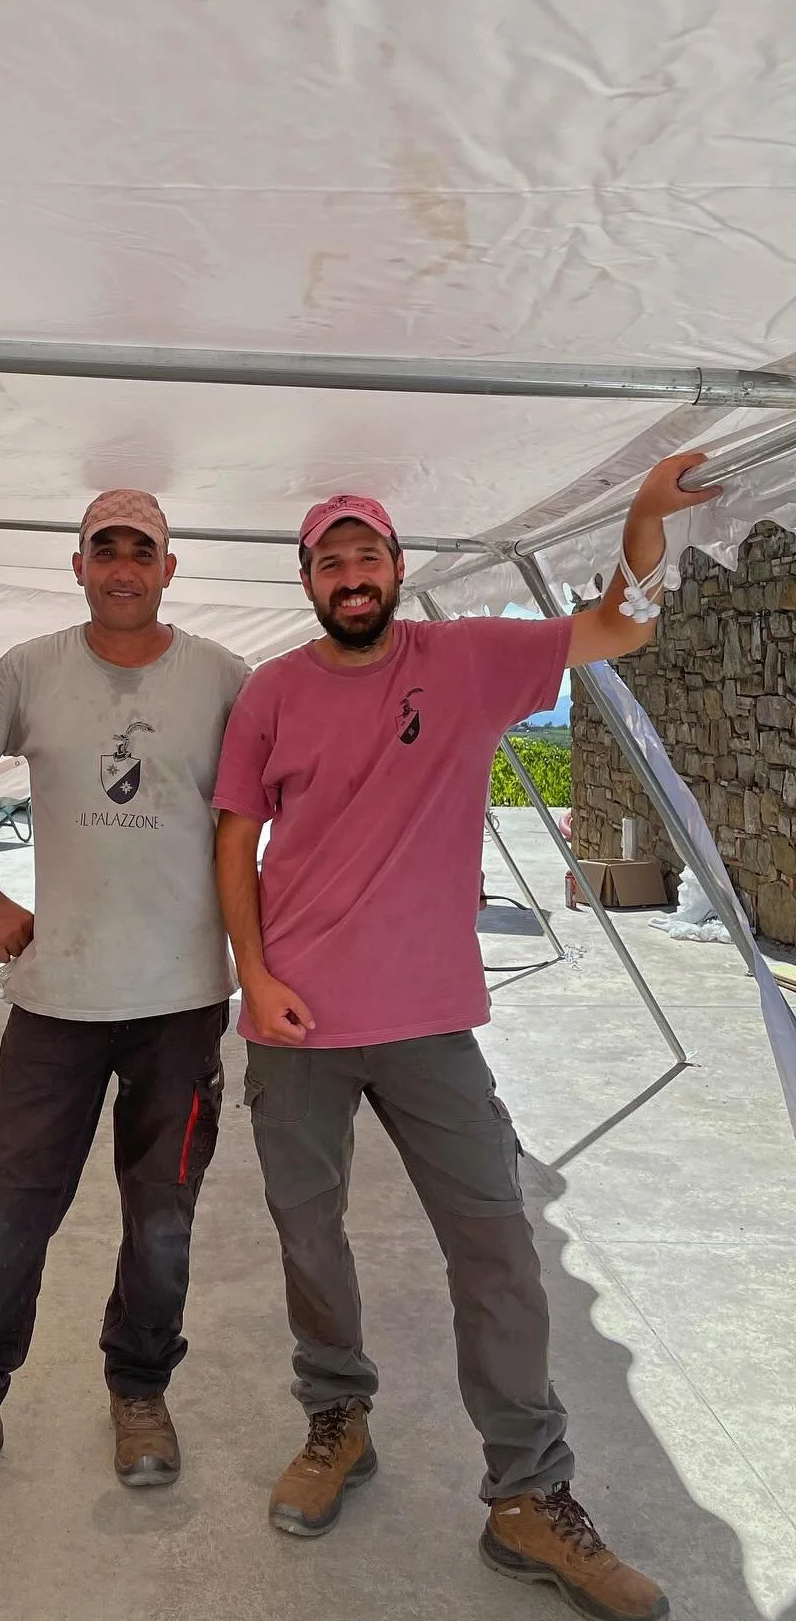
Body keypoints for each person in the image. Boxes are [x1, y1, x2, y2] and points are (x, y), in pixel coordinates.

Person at [213, 453, 719, 1621]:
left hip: (432, 1018)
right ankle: (337, 1420)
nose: (351, 574)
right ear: (307, 579)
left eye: (368, 555)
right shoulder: (272, 693)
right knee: (309, 1234)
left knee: (495, 1247)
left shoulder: (470, 659)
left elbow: (616, 630)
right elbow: (235, 841)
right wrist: (253, 973)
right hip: (296, 1019)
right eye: (330, 560)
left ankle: (529, 1498)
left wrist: (644, 515)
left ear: (398, 569)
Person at [0, 490, 249, 1519]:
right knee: (7, 1211)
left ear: (171, 568)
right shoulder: (30, 670)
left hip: (181, 1002)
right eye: (105, 551)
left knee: (162, 1220)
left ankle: (139, 1391)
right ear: (77, 565)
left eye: (144, 552)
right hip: (57, 998)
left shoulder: (223, 679)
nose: (124, 568)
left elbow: (269, 806)